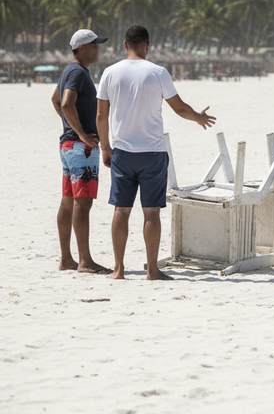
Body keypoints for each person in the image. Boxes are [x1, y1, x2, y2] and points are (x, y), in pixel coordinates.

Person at [96, 25, 216, 280]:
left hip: (122, 152)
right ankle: (152, 270)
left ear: (126, 45)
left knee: (121, 210)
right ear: (147, 45)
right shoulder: (158, 72)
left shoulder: (109, 73)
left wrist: (105, 148)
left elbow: (100, 115)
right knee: (151, 212)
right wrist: (198, 118)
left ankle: (118, 270)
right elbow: (179, 108)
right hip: (152, 153)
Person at [51, 29, 111, 274]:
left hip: (68, 145)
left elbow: (55, 100)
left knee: (68, 202)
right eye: (95, 45)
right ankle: (84, 261)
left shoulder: (69, 70)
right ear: (83, 48)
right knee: (82, 203)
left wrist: (69, 126)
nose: (99, 49)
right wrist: (83, 134)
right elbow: (65, 102)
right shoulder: (77, 71)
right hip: (80, 147)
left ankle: (66, 259)